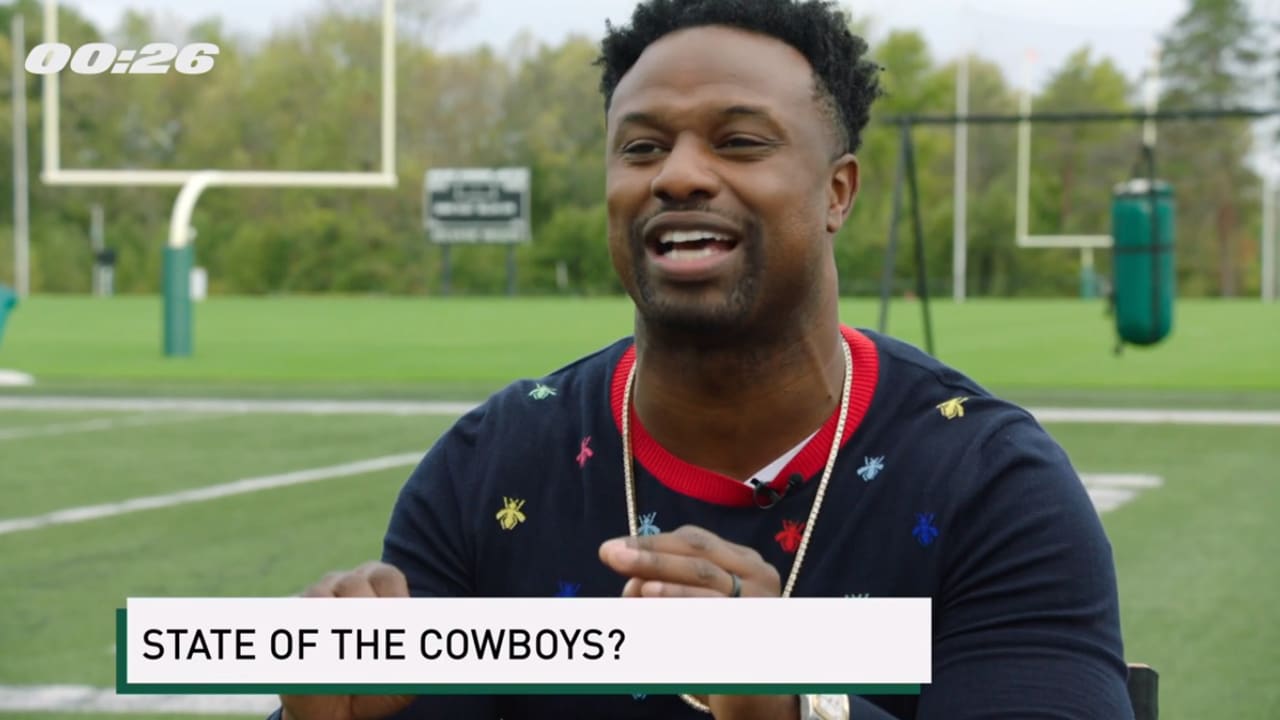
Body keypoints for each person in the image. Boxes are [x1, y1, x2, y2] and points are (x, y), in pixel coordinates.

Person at [269, 0, 1133, 718]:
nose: (678, 175)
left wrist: (796, 704)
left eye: (739, 141)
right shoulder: (490, 468)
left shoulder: (990, 483)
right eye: (642, 147)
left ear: (837, 192)